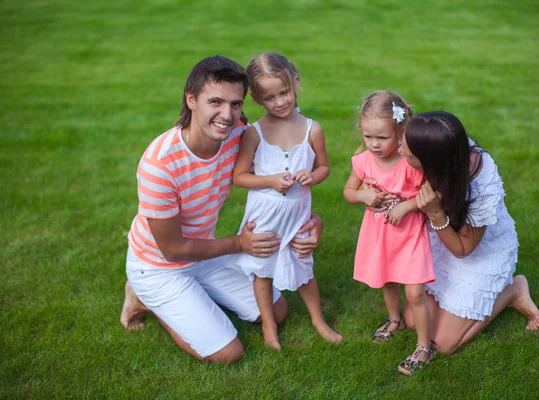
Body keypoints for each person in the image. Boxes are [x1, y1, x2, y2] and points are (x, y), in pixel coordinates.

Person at [119, 55, 323, 365]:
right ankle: (145, 295)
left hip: (204, 253)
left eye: (236, 104)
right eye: (215, 102)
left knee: (278, 311)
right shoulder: (159, 165)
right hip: (160, 264)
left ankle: (194, 294)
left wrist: (313, 222)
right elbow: (173, 250)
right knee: (228, 354)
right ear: (191, 100)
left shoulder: (238, 136)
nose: (226, 115)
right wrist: (240, 244)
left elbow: (290, 181)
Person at [396, 110, 539, 355]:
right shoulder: (442, 143)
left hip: (477, 252)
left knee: (442, 344)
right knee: (413, 320)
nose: (400, 150)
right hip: (444, 242)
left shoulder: (479, 181)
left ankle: (513, 291)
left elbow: (464, 249)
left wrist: (435, 214)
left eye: (407, 152)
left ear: (430, 161)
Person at [229, 52, 342, 350]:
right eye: (269, 97)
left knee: (303, 266)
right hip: (266, 214)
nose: (279, 102)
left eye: (284, 93)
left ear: (295, 83)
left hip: (298, 214)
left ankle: (318, 320)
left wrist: (312, 177)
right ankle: (269, 326)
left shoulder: (311, 129)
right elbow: (239, 176)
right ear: (256, 98)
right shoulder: (254, 133)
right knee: (263, 272)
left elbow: (324, 167)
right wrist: (269, 180)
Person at [343, 91, 436, 376]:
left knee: (415, 291)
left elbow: (431, 194)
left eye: (382, 138)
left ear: (401, 132)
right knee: (387, 280)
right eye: (368, 136)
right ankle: (394, 319)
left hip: (409, 235)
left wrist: (407, 206)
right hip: (379, 236)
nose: (374, 144)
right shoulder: (363, 161)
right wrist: (363, 196)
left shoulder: (411, 163)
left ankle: (424, 346)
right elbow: (348, 192)